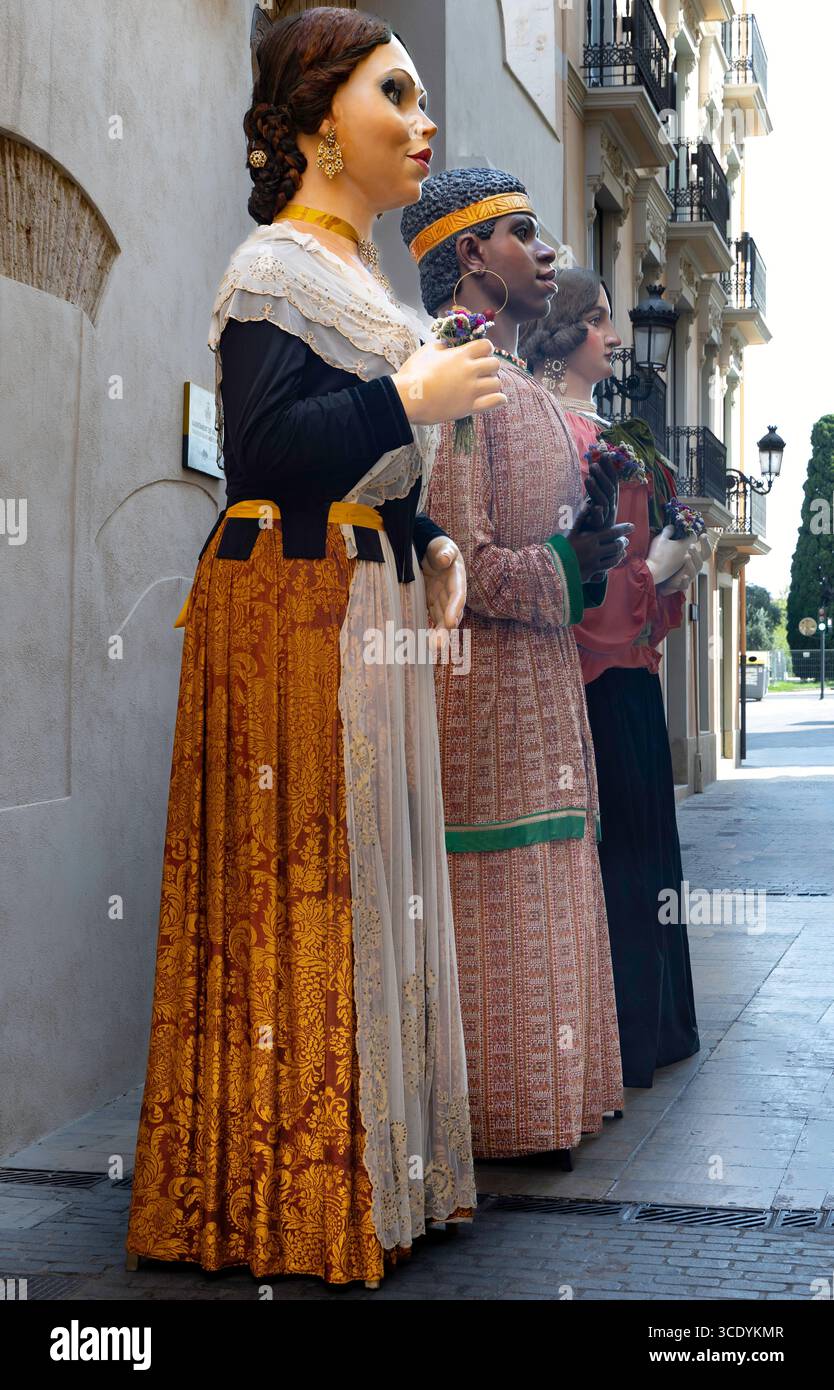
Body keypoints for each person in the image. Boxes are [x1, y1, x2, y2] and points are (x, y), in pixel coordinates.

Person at [125, 8, 506, 1288]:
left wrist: (435, 541)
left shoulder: (367, 290)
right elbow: (270, 455)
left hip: (363, 613)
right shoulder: (272, 269)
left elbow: (374, 474)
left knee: (373, 882)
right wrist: (412, 395)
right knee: (315, 888)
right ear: (314, 119)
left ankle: (378, 1173)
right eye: (393, 93)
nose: (423, 119)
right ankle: (281, 1187)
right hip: (290, 621)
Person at [400, 169, 632, 1161]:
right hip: (484, 707)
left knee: (548, 879)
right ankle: (498, 1121)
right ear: (468, 256)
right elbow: (457, 554)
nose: (546, 253)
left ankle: (544, 1112)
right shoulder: (456, 366)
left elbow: (530, 540)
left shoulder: (523, 384)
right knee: (502, 892)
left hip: (542, 697)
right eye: (522, 233)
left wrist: (592, 547)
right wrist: (568, 569)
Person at [521, 268, 704, 1088]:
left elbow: (634, 579)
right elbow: (585, 579)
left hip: (631, 679)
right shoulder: (548, 431)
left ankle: (653, 1031)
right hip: (590, 679)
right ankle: (622, 1041)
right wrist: (648, 578)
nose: (615, 335)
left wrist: (673, 570)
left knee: (645, 859)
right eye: (598, 321)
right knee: (619, 861)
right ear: (564, 332)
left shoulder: (609, 434)